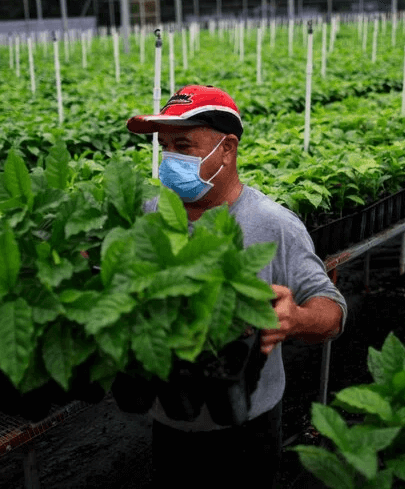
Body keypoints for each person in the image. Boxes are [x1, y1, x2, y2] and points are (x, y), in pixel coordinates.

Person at [126, 84, 347, 488]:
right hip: (169, 419)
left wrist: (296, 319)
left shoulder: (272, 224)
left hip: (248, 425)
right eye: (164, 147)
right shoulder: (149, 213)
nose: (169, 160)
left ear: (227, 149)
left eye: (183, 146)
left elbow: (331, 312)